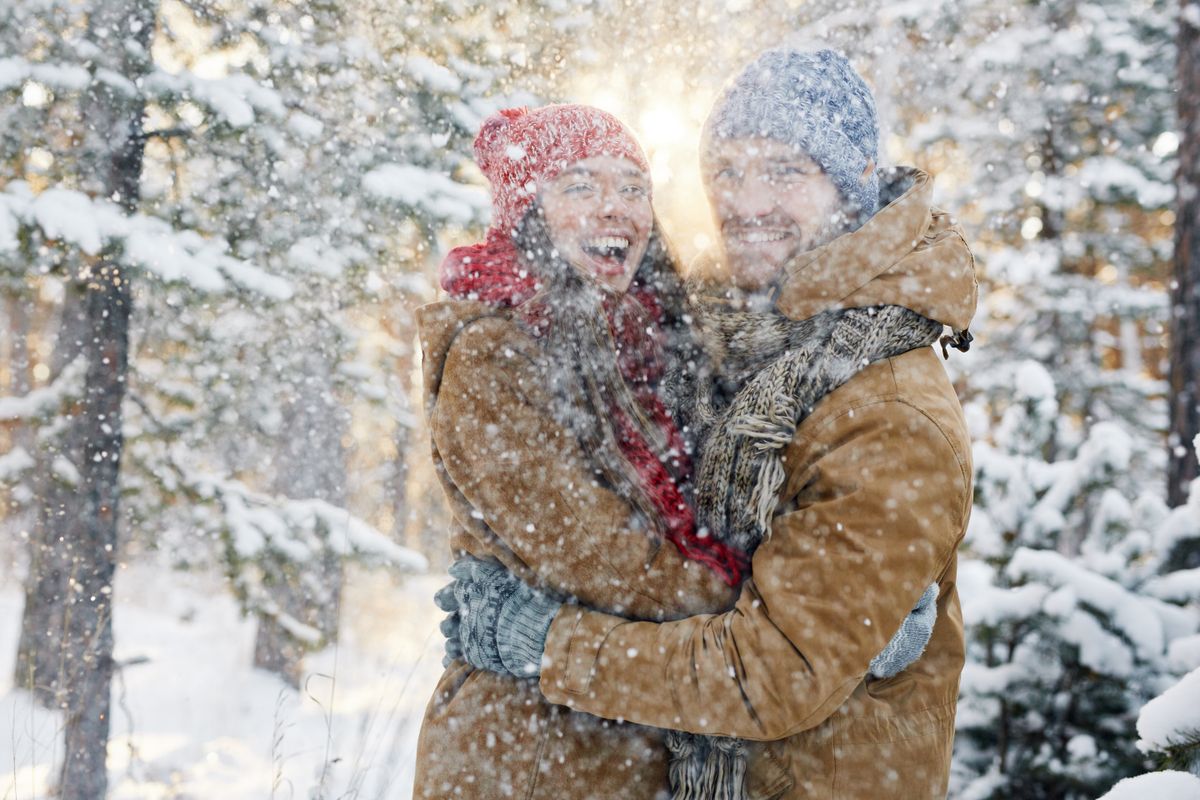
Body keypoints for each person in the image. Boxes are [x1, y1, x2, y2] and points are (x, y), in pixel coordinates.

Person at [444, 48, 978, 799]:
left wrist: (544, 643)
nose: (747, 201)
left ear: (854, 182)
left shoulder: (889, 412)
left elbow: (770, 671)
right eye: (727, 170)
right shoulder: (720, 332)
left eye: (785, 170)